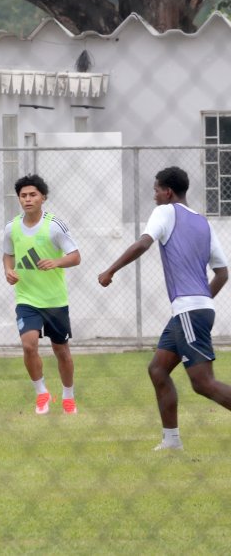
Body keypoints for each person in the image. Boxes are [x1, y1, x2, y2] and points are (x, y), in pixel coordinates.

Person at [98, 167, 231, 450]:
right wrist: (201, 300)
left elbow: (144, 243)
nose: (154, 195)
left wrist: (110, 270)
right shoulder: (202, 223)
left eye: (156, 190)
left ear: (168, 191)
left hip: (189, 311)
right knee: (158, 369)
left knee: (203, 383)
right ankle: (171, 441)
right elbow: (222, 272)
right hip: (192, 310)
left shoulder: (165, 211)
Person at [3, 174, 80, 415]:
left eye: (32, 195)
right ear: (18, 199)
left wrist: (56, 261)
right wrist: (8, 270)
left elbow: (75, 256)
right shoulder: (12, 227)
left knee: (62, 351)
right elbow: (8, 255)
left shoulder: (54, 225)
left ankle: (68, 396)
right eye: (23, 195)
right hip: (27, 299)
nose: (27, 199)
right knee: (29, 345)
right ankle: (42, 393)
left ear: (43, 197)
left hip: (55, 301)